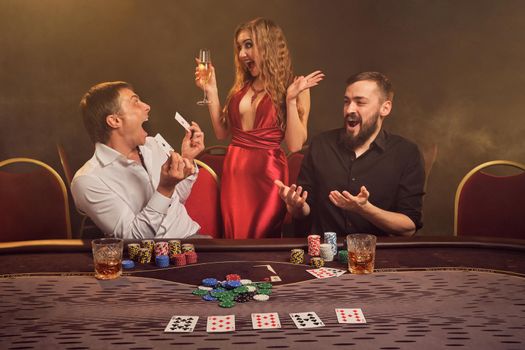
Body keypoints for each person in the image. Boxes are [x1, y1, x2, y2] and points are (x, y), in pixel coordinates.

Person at [195, 17, 324, 239]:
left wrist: (291, 100)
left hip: (268, 174)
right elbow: (222, 132)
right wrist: (211, 90)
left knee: (261, 238)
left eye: (248, 45)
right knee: (234, 239)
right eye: (239, 47)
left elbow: (294, 144)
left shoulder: (296, 87)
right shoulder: (241, 88)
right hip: (235, 174)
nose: (242, 53)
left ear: (268, 45)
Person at [275, 72, 425, 237]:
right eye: (347, 102)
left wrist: (365, 209)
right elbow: (305, 210)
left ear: (385, 108)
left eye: (360, 102)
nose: (349, 109)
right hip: (324, 256)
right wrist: (297, 206)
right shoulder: (321, 144)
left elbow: (409, 226)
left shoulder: (406, 153)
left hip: (377, 257)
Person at [71, 81, 205, 239]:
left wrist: (187, 158)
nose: (147, 106)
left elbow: (177, 199)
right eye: (135, 102)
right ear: (114, 121)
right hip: (152, 258)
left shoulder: (154, 144)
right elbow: (132, 238)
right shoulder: (87, 180)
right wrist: (165, 188)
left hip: (196, 240)